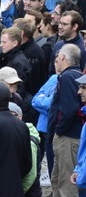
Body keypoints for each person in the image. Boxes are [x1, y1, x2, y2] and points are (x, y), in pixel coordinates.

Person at [50, 43, 84, 197]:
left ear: (62, 57)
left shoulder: (69, 76)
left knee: (67, 185)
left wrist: (59, 130)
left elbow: (69, 108)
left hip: (68, 138)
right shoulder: (74, 75)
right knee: (57, 179)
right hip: (67, 136)